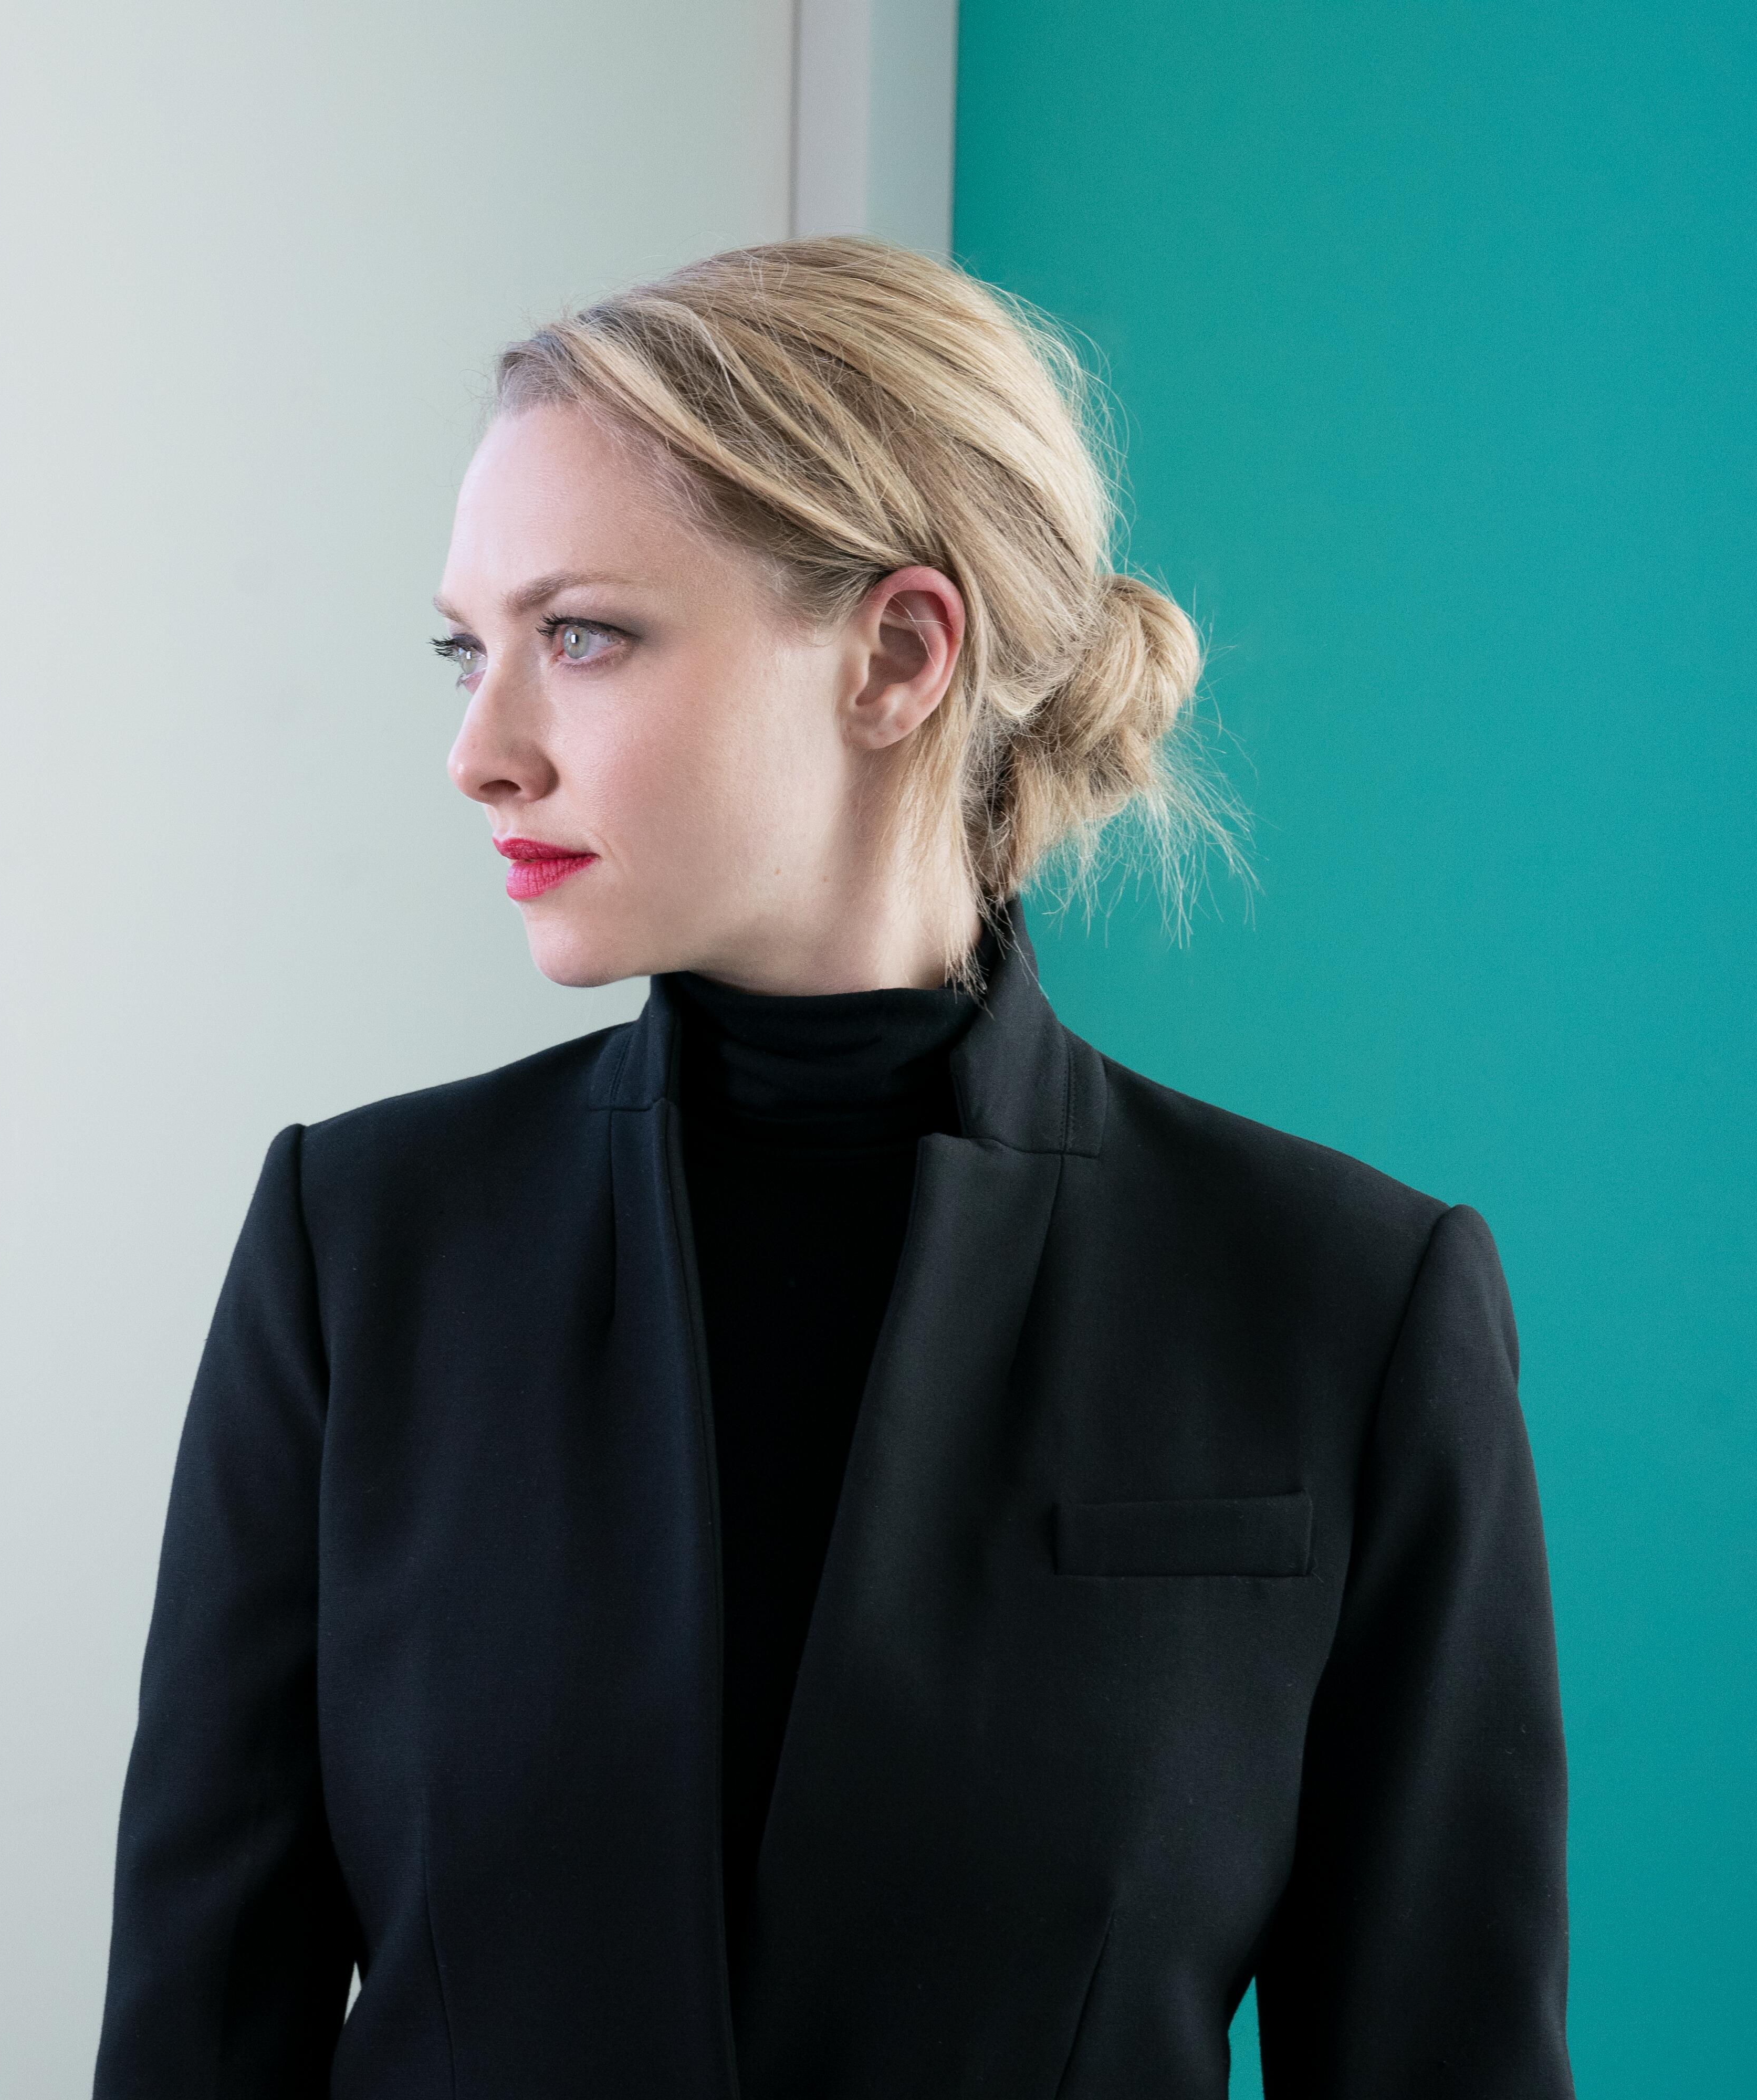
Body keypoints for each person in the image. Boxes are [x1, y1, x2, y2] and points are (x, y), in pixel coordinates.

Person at [92, 239, 1571, 2098]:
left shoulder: (1343, 1300)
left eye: (587, 636)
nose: (485, 750)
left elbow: (1443, 2053)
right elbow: (199, 2034)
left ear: (895, 654)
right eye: (470, 650)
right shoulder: (361, 1246)